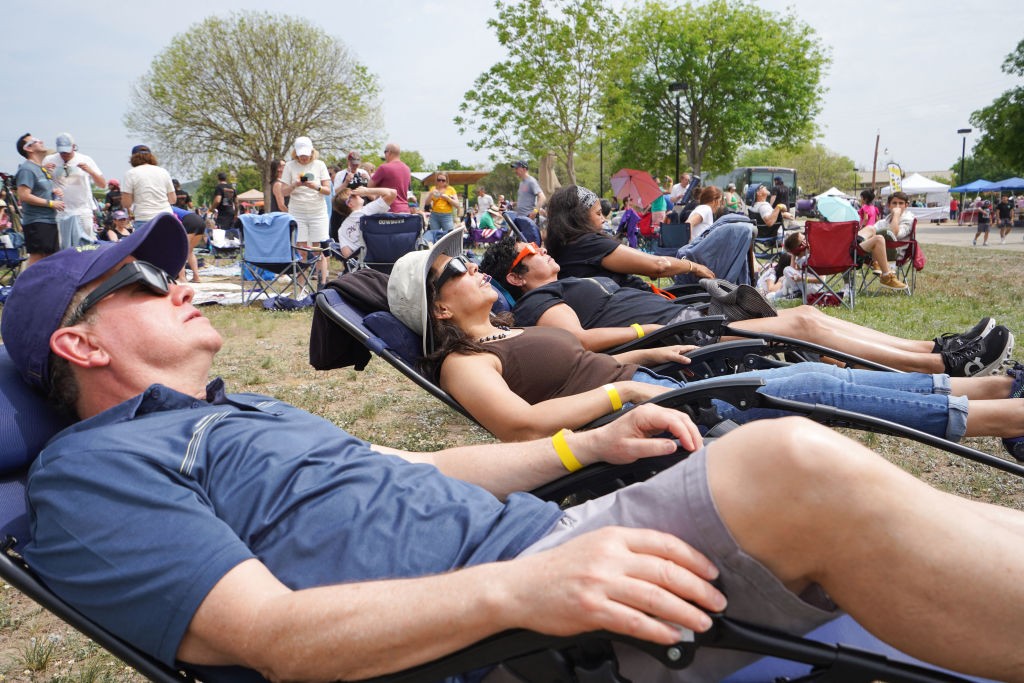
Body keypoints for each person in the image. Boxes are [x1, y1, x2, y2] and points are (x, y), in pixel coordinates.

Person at [8, 216, 1024, 683]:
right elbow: (265, 635)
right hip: (518, 628)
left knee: (789, 443)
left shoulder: (245, 413)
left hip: (557, 542)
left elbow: (419, 470)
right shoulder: (91, 472)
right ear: (80, 342)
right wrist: (516, 595)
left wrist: (593, 441)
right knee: (786, 458)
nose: (177, 279)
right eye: (142, 281)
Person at [392, 228, 1022, 457]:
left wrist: (639, 355)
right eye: (456, 270)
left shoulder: (505, 331)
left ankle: (995, 390)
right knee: (823, 387)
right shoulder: (461, 363)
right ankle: (1007, 413)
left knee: (832, 383)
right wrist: (626, 387)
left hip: (658, 385)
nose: (472, 267)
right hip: (652, 412)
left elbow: (577, 362)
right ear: (440, 305)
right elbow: (524, 428)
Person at [479, 236, 1014, 377]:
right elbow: (574, 343)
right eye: (534, 253)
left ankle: (935, 348)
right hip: (681, 336)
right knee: (804, 320)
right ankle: (944, 363)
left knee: (814, 320)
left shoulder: (572, 278)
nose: (546, 252)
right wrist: (648, 325)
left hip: (688, 316)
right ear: (517, 276)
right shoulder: (543, 301)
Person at [544, 185, 714, 294]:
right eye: (598, 214)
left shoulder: (564, 245)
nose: (603, 219)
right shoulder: (588, 244)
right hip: (648, 313)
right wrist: (694, 266)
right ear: (578, 217)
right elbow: (659, 266)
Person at [281, 136, 331, 287]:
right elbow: (283, 192)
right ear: (296, 153)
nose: (304, 158)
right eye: (301, 155)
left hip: (317, 211)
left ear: (312, 152)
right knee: (301, 249)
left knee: (318, 249)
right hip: (298, 211)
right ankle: (301, 285)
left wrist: (314, 186)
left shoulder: (320, 165)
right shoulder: (289, 166)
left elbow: (327, 190)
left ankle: (322, 284)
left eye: (306, 154)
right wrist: (295, 184)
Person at [44, 133, 105, 250]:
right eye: (62, 152)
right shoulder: (49, 160)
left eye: (67, 151)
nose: (64, 155)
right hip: (61, 211)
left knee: (87, 246)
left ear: (73, 147)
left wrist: (90, 171)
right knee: (63, 246)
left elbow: (102, 184)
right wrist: (44, 170)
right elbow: (41, 183)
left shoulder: (85, 159)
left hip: (82, 209)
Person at [14, 133, 63, 267]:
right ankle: (24, 287)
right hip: (37, 221)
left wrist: (53, 193)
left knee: (50, 258)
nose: (40, 141)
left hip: (49, 221)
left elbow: (39, 191)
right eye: (35, 141)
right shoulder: (27, 169)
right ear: (28, 149)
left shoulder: (40, 169)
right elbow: (24, 195)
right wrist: (51, 203)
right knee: (38, 258)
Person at [856, 191, 912, 289]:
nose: (897, 206)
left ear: (906, 205)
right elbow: (870, 231)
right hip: (877, 251)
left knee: (884, 234)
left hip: (895, 253)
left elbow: (893, 234)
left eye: (901, 203)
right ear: (889, 205)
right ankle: (854, 248)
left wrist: (896, 215)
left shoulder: (908, 219)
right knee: (870, 229)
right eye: (894, 203)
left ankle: (879, 267)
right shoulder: (885, 221)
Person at [331, 185, 398, 260]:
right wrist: (366, 191)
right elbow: (392, 193)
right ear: (350, 204)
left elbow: (347, 254)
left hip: (365, 264)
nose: (358, 194)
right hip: (388, 257)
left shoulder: (342, 230)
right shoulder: (368, 210)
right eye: (353, 194)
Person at [121, 144, 175, 230]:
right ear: (151, 157)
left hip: (144, 218)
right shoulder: (163, 171)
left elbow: (126, 203)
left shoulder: (131, 173)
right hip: (166, 217)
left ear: (133, 158)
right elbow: (172, 200)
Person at [369, 142, 412, 213]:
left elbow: (369, 186)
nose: (385, 155)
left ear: (389, 152)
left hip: (388, 210)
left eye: (385, 152)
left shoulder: (384, 168)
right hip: (405, 210)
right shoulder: (407, 169)